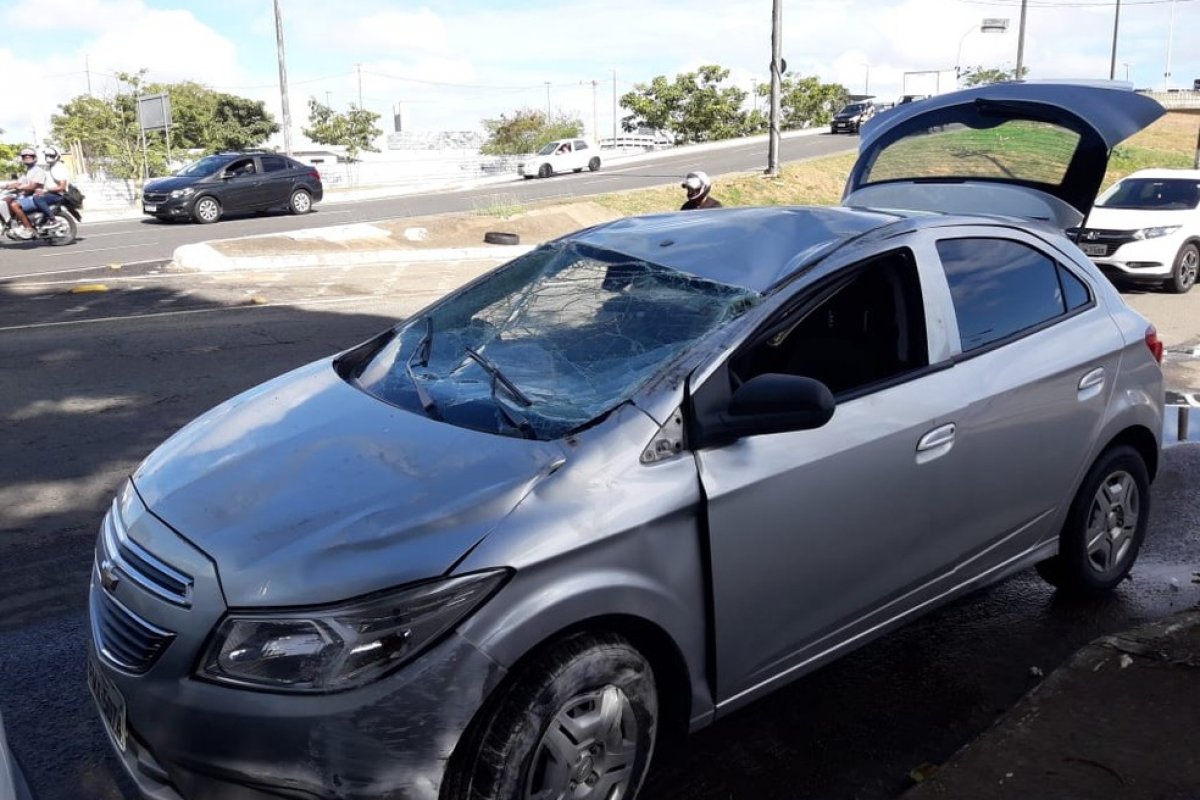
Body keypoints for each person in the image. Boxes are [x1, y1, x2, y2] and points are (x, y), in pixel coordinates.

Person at [3, 148, 46, 239]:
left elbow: (33, 186)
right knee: (6, 200)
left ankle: (29, 228)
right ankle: (14, 224)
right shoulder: (27, 171)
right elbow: (18, 182)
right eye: (25, 157)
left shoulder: (38, 170)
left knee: (14, 205)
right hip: (26, 196)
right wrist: (7, 186)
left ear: (34, 157)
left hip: (35, 197)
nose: (27, 158)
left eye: (30, 156)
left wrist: (19, 187)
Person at [34, 146, 71, 228]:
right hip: (52, 193)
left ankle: (53, 220)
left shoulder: (58, 167)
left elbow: (62, 187)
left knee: (37, 198)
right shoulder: (51, 167)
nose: (48, 157)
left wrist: (45, 190)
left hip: (59, 195)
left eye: (51, 155)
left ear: (57, 156)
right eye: (46, 155)